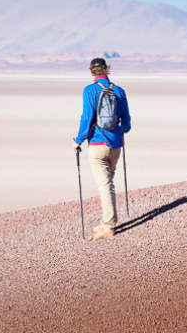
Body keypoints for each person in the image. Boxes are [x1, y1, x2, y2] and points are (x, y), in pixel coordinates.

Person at [73, 57, 131, 240]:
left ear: (91, 73)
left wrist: (79, 139)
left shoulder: (89, 90)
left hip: (97, 145)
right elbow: (127, 123)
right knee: (109, 185)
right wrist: (118, 131)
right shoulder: (119, 91)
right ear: (107, 70)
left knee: (105, 186)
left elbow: (87, 117)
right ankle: (107, 221)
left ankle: (108, 226)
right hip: (115, 147)